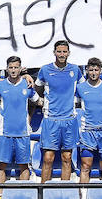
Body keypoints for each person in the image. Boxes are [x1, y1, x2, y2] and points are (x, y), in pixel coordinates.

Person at [0, 55, 40, 199]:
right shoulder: (0, 86)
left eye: (16, 67)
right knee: (1, 166)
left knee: (24, 166)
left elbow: (38, 101)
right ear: (6, 69)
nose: (13, 70)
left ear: (20, 68)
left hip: (23, 134)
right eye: (10, 67)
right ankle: (0, 197)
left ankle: (22, 196)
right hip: (4, 134)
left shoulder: (28, 85)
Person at [34, 41, 80, 182]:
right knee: (48, 158)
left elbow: (84, 88)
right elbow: (36, 89)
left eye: (64, 51)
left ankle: (64, 195)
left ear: (69, 53)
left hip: (69, 119)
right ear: (54, 52)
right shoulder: (45, 70)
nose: (62, 54)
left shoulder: (75, 70)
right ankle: (43, 193)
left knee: (66, 158)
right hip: (51, 120)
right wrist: (40, 101)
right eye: (59, 51)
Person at [75, 57, 102, 183]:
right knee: (86, 167)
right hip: (88, 132)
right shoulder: (80, 88)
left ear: (101, 71)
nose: (93, 73)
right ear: (87, 70)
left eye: (96, 70)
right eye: (91, 70)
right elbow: (75, 106)